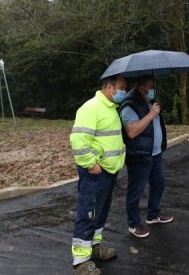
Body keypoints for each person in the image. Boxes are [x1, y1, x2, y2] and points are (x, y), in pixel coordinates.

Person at [69, 75, 127, 275]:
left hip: (109, 171)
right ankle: (80, 261)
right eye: (121, 88)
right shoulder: (91, 107)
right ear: (109, 87)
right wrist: (90, 164)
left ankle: (94, 247)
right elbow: (78, 139)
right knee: (88, 212)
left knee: (100, 212)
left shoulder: (111, 109)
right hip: (96, 172)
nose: (123, 92)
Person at [119, 74, 173, 239]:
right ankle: (134, 223)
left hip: (155, 153)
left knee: (159, 183)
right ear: (143, 88)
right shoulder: (129, 105)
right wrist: (150, 114)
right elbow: (132, 131)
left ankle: (153, 214)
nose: (153, 90)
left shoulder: (148, 102)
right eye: (151, 87)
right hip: (139, 155)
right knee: (136, 190)